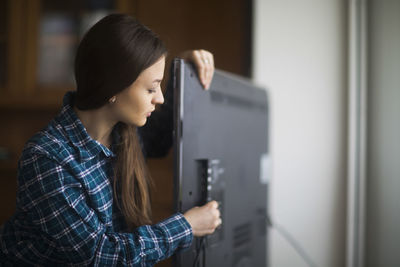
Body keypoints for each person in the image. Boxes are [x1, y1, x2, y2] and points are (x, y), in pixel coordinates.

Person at [0, 14, 221, 266]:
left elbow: (161, 137)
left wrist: (184, 70)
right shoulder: (47, 159)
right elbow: (100, 255)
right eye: (151, 88)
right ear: (113, 87)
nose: (159, 98)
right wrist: (187, 226)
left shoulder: (124, 132)